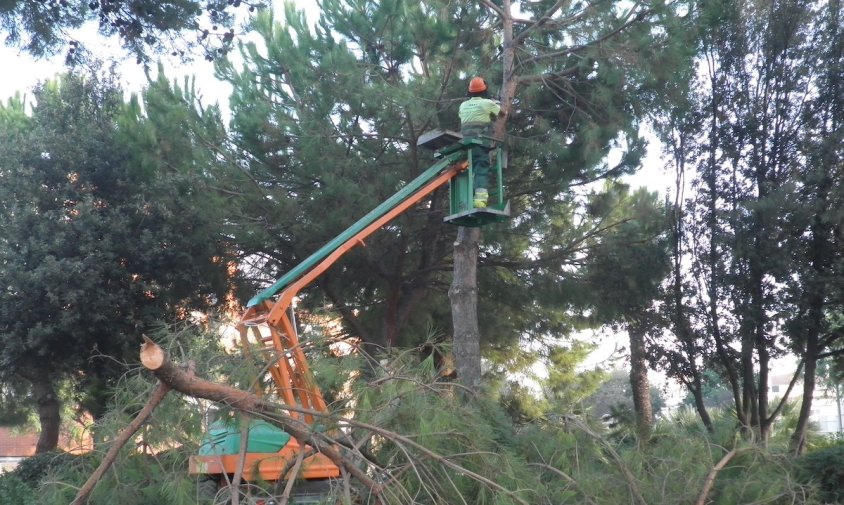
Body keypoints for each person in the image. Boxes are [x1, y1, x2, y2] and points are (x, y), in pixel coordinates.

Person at [458, 76, 501, 208]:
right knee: (481, 169)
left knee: (469, 170)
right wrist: (496, 103)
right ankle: (480, 202)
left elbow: (463, 117)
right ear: (484, 90)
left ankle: (466, 200)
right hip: (480, 142)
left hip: (465, 143)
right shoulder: (488, 103)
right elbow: (502, 113)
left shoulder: (463, 105)